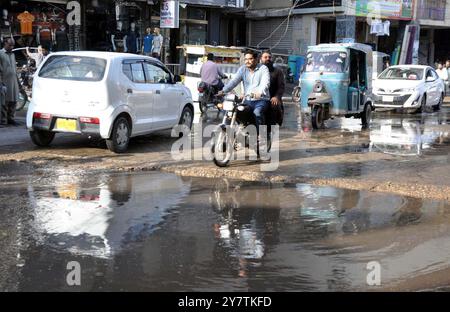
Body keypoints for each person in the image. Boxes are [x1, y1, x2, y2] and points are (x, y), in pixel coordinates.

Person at [219, 50, 270, 140]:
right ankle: (233, 131)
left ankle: (260, 135)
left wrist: (260, 92)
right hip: (247, 100)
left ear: (256, 59)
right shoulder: (243, 69)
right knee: (232, 111)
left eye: (250, 59)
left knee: (257, 113)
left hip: (261, 100)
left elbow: (266, 83)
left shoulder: (263, 69)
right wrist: (223, 91)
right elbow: (234, 81)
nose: (247, 61)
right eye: (246, 59)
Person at [260, 50, 285, 126]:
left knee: (274, 107)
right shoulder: (257, 71)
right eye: (265, 57)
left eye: (269, 57)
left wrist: (276, 97)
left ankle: (273, 133)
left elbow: (281, 87)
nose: (268, 59)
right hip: (259, 98)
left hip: (272, 97)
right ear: (261, 59)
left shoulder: (278, 71)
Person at [0, 38, 22, 125]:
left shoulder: (12, 54)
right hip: (4, 81)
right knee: (4, 102)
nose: (12, 47)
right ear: (5, 43)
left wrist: (19, 83)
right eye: (10, 45)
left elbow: (14, 70)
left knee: (14, 100)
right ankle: (3, 121)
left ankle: (11, 119)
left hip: (13, 81)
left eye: (13, 45)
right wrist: (1, 83)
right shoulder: (0, 54)